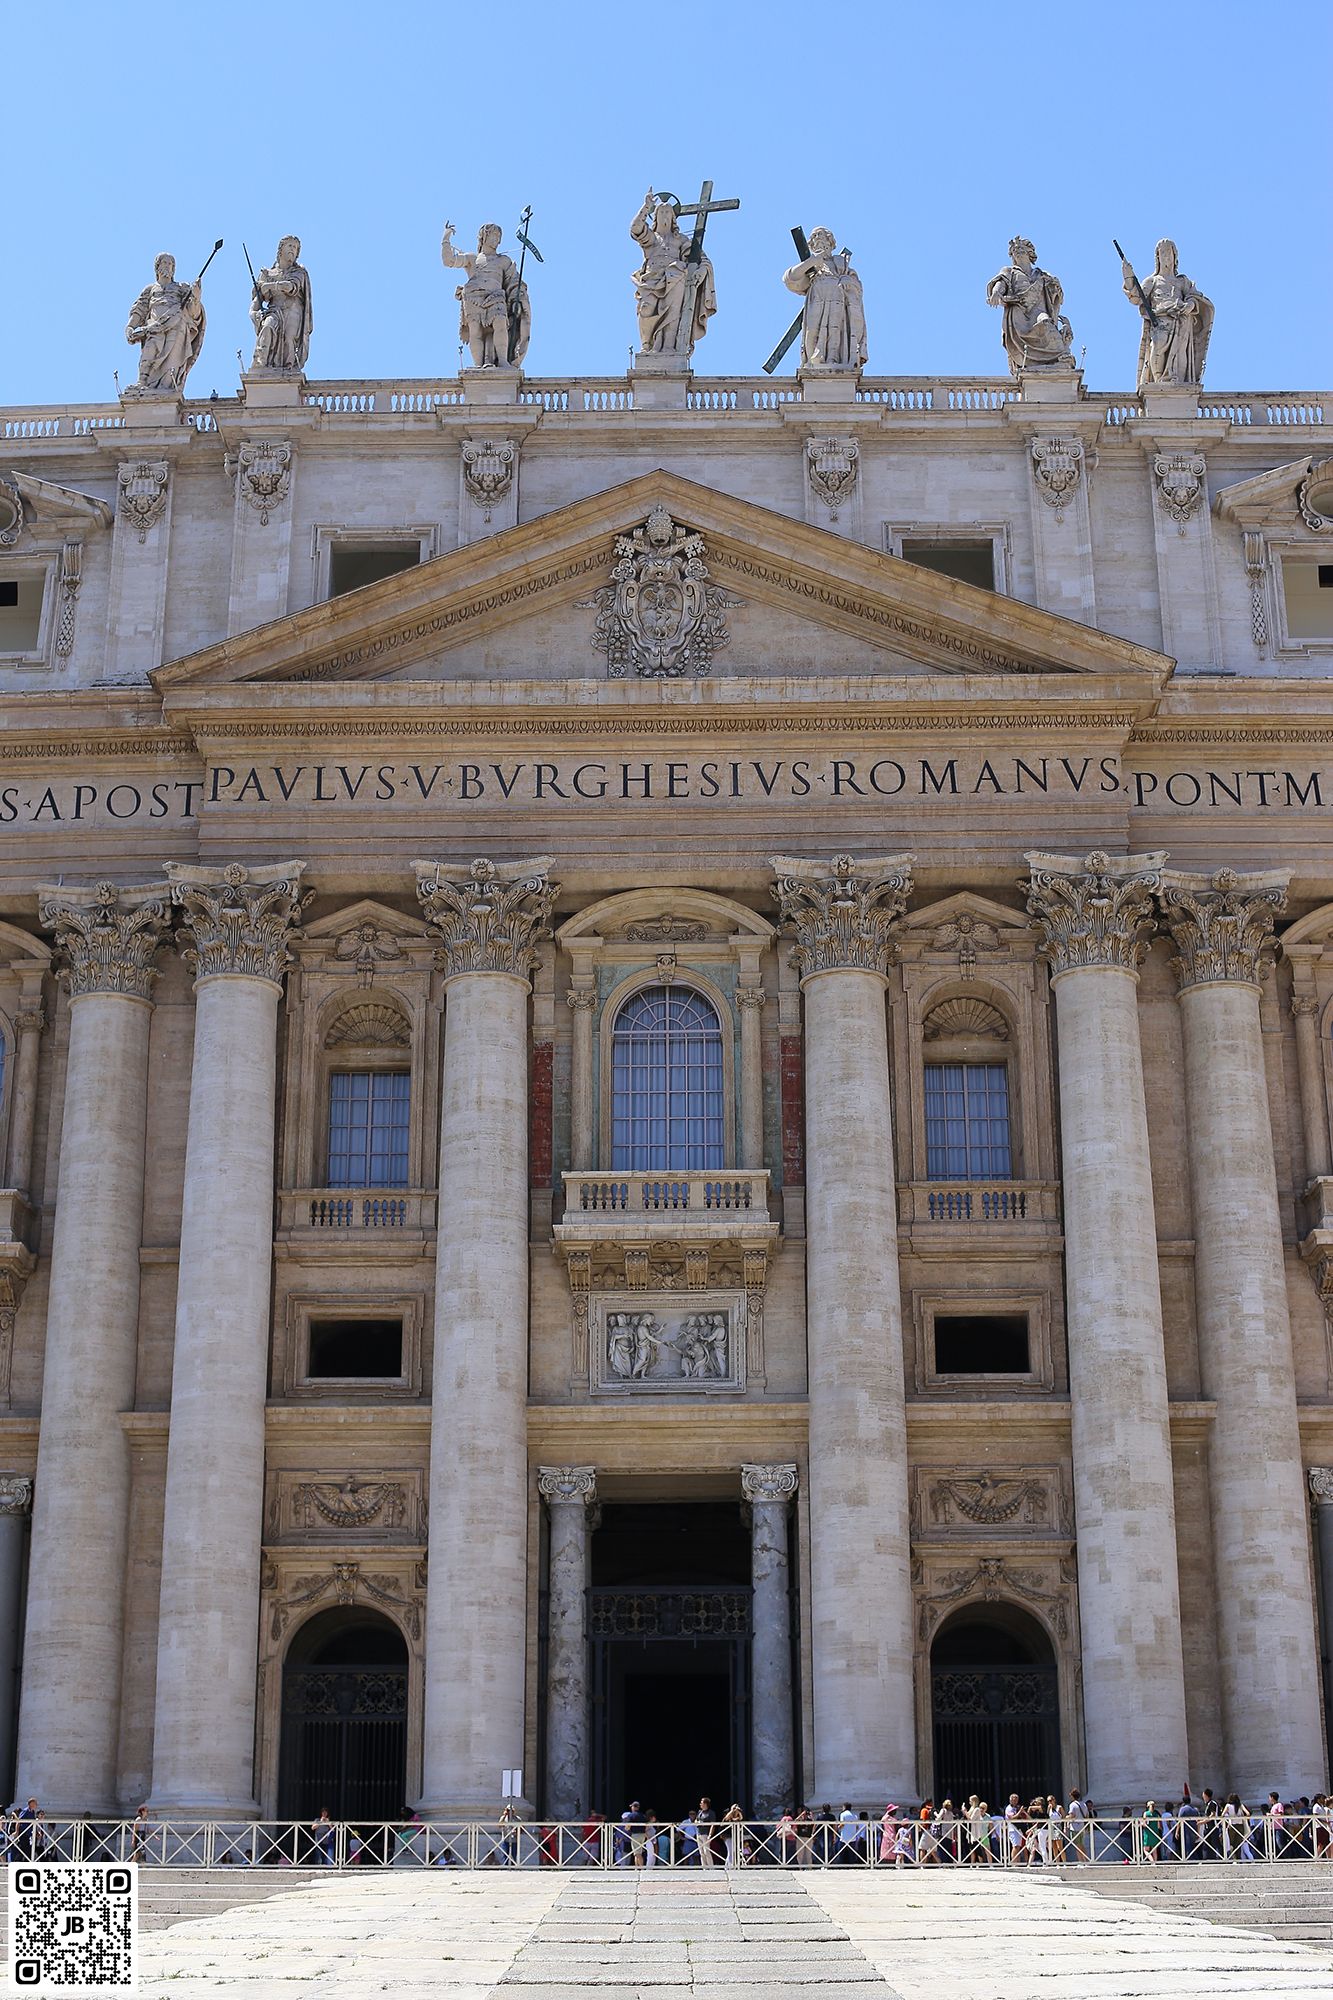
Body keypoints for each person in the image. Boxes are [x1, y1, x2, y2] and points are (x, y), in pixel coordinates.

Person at [630, 191, 716, 359]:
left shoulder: (681, 240)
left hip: (675, 279)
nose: (664, 215)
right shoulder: (651, 238)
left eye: (667, 212)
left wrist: (701, 270)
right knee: (646, 309)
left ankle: (669, 347)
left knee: (673, 313)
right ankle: (647, 345)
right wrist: (646, 207)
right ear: (655, 217)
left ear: (673, 218)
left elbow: (703, 260)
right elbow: (635, 229)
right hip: (651, 280)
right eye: (661, 212)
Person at [440, 220, 530, 370]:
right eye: (493, 236)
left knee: (501, 324)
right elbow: (449, 261)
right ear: (483, 237)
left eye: (498, 237)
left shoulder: (504, 261)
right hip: (473, 298)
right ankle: (478, 365)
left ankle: (502, 361)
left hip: (496, 297)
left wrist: (517, 298)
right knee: (476, 331)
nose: (496, 240)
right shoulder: (472, 258)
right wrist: (446, 239)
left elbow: (515, 282)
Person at [250, 235, 314, 374]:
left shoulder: (299, 272)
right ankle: (261, 365)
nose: (293, 250)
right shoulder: (267, 273)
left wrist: (269, 286)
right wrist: (253, 312)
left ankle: (289, 371)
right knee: (267, 328)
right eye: (290, 246)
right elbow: (258, 299)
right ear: (281, 249)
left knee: (289, 340)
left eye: (296, 248)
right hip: (274, 310)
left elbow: (291, 286)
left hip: (293, 310)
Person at [722, 1802, 746, 1867]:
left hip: (735, 1836)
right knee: (730, 1851)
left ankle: (728, 1866)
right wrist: (732, 1810)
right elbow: (726, 1819)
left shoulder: (738, 1817)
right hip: (727, 1836)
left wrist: (738, 1811)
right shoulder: (728, 1815)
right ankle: (730, 1866)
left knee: (733, 1851)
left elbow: (741, 1818)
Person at [695, 1796, 716, 1868]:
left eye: (701, 1803)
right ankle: (704, 1867)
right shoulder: (699, 1812)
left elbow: (713, 1825)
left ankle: (710, 1867)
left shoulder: (711, 1813)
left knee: (706, 1851)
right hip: (699, 1833)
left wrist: (710, 1835)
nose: (700, 1804)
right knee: (701, 1852)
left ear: (705, 1804)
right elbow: (696, 1820)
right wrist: (697, 1822)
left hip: (705, 1834)